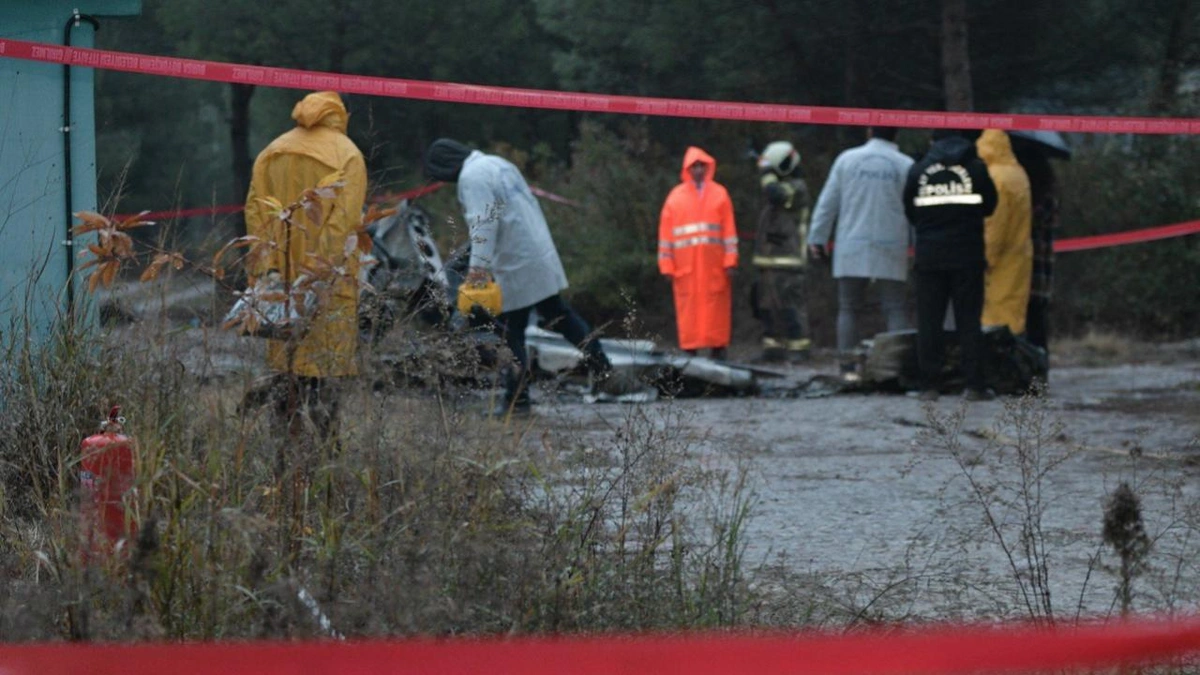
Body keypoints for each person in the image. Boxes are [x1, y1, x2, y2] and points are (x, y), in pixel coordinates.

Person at [422, 138, 613, 417]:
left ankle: (517, 400)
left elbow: (483, 225)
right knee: (558, 313)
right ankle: (602, 365)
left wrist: (476, 272)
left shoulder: (472, 177)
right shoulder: (498, 164)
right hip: (536, 251)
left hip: (515, 261)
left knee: (510, 332)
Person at [244, 91, 367, 441]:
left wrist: (268, 271)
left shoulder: (273, 151)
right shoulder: (348, 155)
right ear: (340, 116)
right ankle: (326, 459)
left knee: (286, 374)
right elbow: (342, 225)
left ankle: (283, 454)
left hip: (278, 285)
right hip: (329, 286)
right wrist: (317, 275)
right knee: (326, 378)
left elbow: (256, 214)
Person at [808, 127, 914, 380]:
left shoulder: (847, 160)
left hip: (851, 243)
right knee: (895, 307)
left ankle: (848, 369)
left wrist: (817, 237)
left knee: (848, 307)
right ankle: (895, 367)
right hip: (891, 244)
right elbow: (914, 211)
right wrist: (919, 245)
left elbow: (828, 202)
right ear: (896, 134)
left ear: (869, 132)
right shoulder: (906, 165)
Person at [903, 129, 997, 401]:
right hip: (968, 255)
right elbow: (991, 205)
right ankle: (974, 386)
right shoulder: (977, 169)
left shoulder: (919, 169)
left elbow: (910, 209)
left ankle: (929, 386)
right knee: (969, 321)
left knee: (929, 321)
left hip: (930, 256)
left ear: (933, 140)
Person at [658, 147, 738, 360]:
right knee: (689, 312)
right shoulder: (675, 198)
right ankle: (689, 351)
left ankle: (718, 349)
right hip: (687, 270)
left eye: (702, 165)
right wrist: (666, 266)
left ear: (708, 167)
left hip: (714, 267)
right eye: (695, 166)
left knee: (716, 311)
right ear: (687, 169)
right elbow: (666, 237)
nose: (699, 170)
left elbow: (729, 233)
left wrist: (730, 261)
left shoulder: (720, 194)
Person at [751, 141, 812, 363]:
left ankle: (799, 349)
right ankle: (772, 350)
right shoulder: (775, 188)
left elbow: (776, 194)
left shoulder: (798, 188)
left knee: (791, 309)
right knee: (767, 309)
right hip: (768, 262)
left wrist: (766, 172)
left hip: (789, 262)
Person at [976, 129, 1033, 336]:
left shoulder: (996, 178)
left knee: (996, 319)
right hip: (1019, 255)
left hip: (1000, 260)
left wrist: (985, 259)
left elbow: (995, 225)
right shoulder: (1019, 173)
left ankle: (997, 365)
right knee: (1014, 316)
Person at [1010, 139, 1060, 354]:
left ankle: (1033, 385)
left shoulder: (1033, 198)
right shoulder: (1049, 195)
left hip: (1026, 272)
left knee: (1029, 333)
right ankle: (1037, 384)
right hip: (1042, 275)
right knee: (1037, 331)